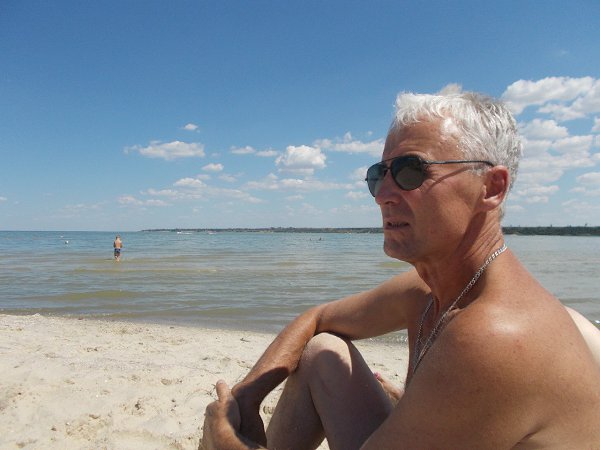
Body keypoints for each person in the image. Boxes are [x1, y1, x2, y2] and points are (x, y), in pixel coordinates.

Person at [202, 87, 600, 449]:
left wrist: (229, 442)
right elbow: (317, 318)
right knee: (324, 351)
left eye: (412, 171)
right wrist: (246, 397)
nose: (383, 196)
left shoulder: (498, 335)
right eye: (379, 175)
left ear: (491, 187)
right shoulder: (429, 290)